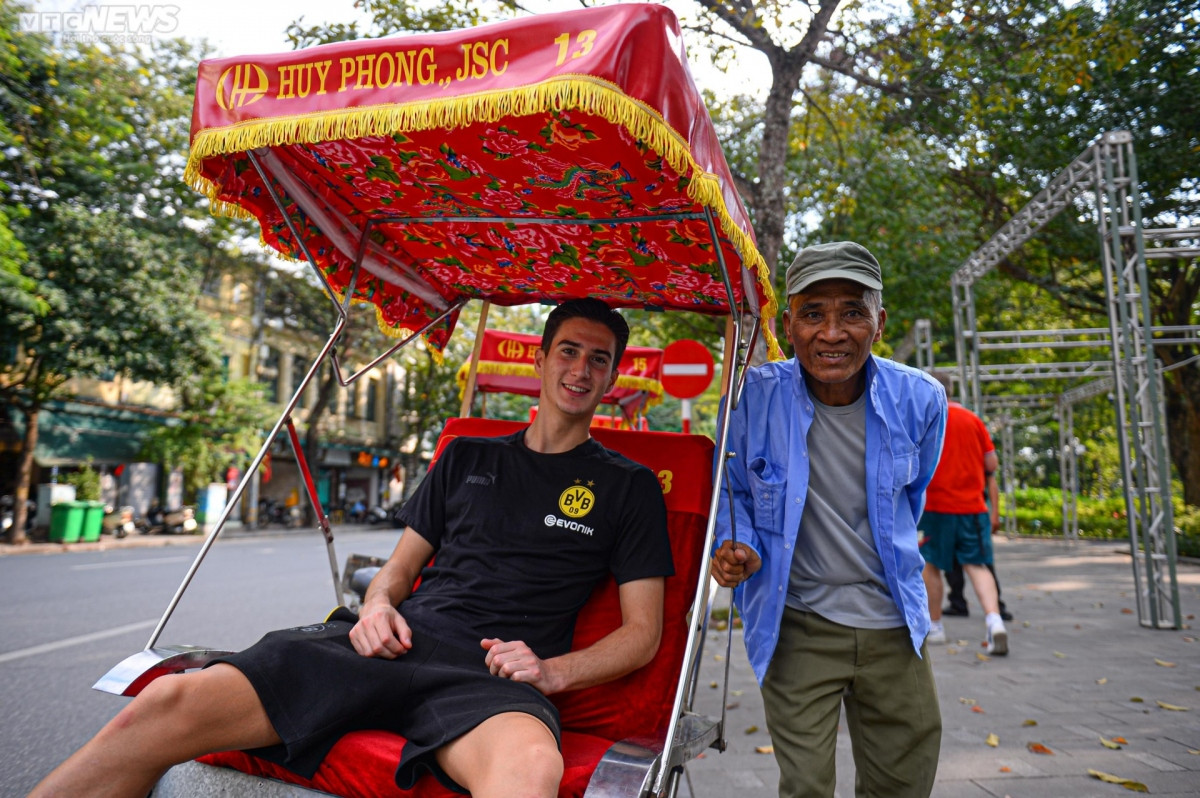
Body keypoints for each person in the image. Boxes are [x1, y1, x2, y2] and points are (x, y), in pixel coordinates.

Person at [31, 298, 673, 798]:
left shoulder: (629, 486)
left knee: (529, 771)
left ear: (613, 374)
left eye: (598, 359)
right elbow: (396, 572)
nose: (580, 370)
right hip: (393, 642)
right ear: (541, 359)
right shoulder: (467, 457)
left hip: (492, 676)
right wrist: (375, 609)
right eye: (568, 352)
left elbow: (642, 633)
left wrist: (552, 672)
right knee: (169, 699)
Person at [710, 241, 946, 798]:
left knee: (904, 783)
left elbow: (912, 497)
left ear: (879, 322)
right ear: (788, 325)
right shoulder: (750, 400)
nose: (832, 333)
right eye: (813, 314)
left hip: (894, 621)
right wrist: (733, 543)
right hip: (798, 621)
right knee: (808, 786)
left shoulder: (922, 400)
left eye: (852, 313)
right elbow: (731, 490)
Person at [919, 370, 1009, 654]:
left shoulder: (923, 420)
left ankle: (935, 627)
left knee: (930, 566)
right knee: (977, 565)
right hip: (973, 508)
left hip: (934, 508)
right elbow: (991, 464)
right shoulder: (973, 420)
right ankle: (994, 622)